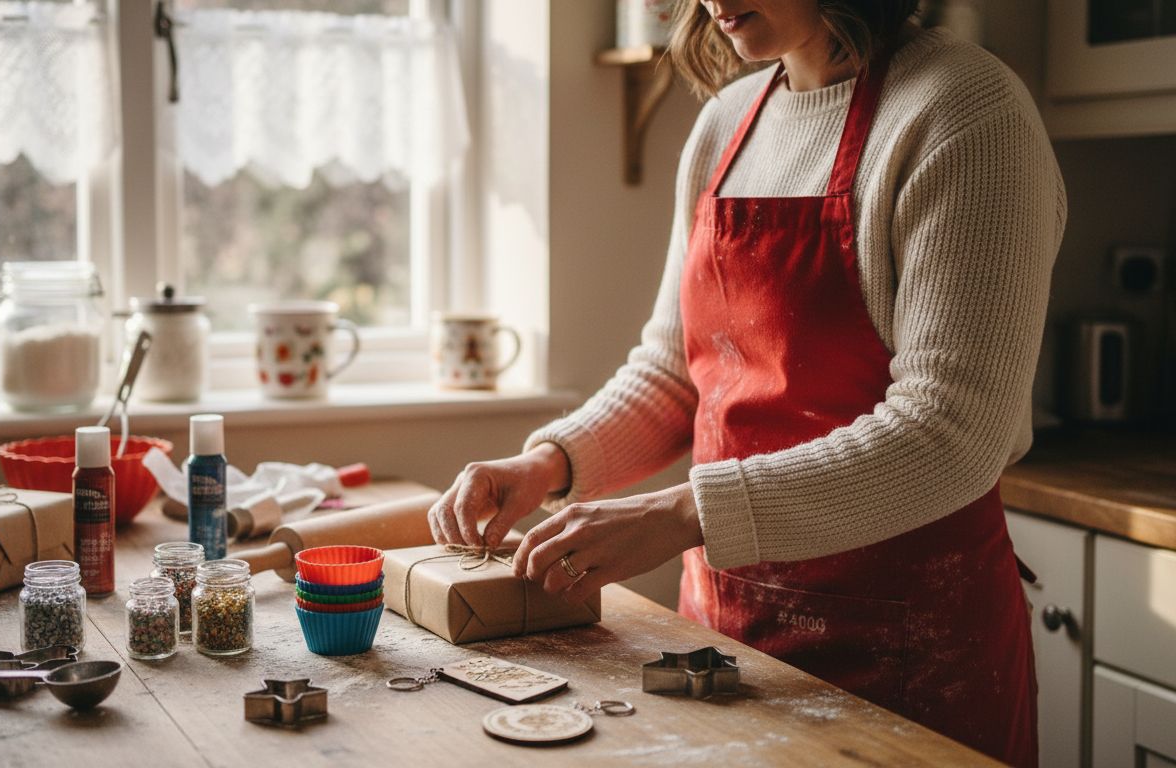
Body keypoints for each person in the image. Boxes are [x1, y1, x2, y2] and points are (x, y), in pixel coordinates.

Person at [429, 1, 1065, 765]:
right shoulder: (726, 122)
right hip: (722, 635)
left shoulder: (965, 111)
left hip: (907, 647)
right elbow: (676, 374)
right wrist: (550, 464)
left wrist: (680, 511)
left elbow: (951, 434)